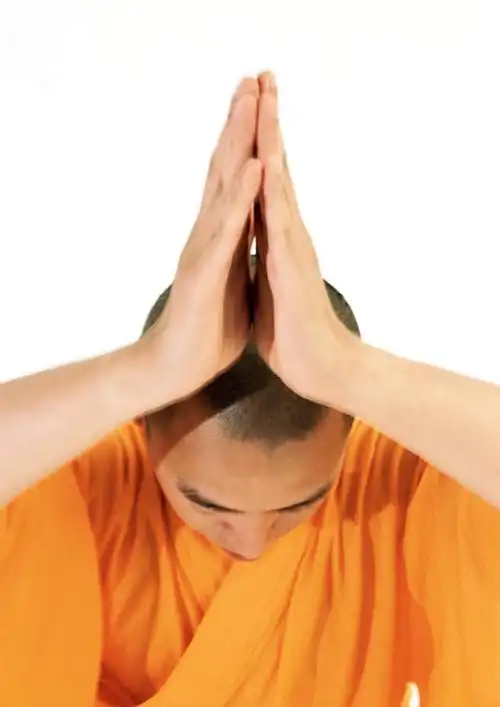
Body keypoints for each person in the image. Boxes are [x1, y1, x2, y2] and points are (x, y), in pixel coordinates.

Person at [0, 72, 499, 707]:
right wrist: (146, 370)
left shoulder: (395, 489)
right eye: (208, 506)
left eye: (299, 505)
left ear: (352, 435)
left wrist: (348, 370)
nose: (252, 543)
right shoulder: (88, 481)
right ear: (141, 429)